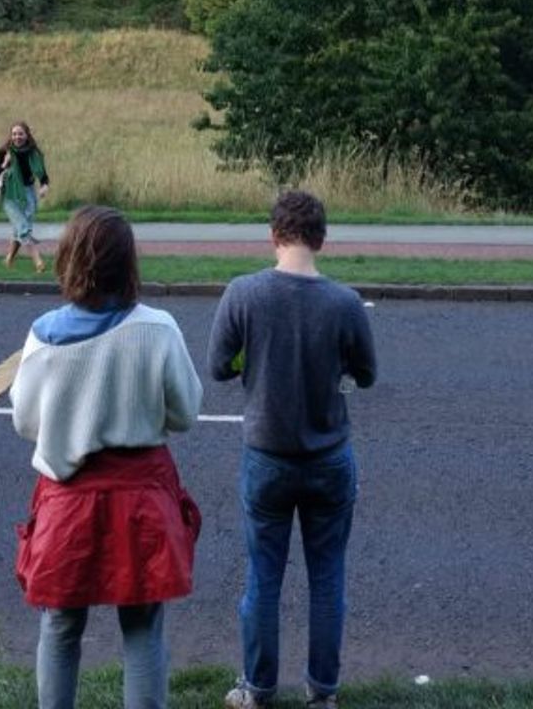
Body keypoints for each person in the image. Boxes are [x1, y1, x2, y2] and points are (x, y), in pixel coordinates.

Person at [10, 205, 205, 709]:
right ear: (128, 263)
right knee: (142, 627)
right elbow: (185, 413)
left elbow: (25, 422)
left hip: (67, 499)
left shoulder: (43, 335)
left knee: (60, 623)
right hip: (141, 495)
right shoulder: (157, 329)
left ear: (69, 259)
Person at [208, 190, 378, 709]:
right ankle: (322, 691)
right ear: (322, 239)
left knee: (264, 577)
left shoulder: (244, 293)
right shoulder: (345, 303)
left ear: (273, 235)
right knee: (327, 577)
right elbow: (367, 374)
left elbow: (218, 365)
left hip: (267, 457)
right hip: (328, 457)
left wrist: (251, 367)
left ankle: (258, 688)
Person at [0, 121, 50, 271]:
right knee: (24, 228)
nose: (17, 137)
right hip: (10, 195)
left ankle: (8, 259)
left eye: (20, 134)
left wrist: (44, 187)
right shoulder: (5, 152)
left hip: (28, 192)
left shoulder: (34, 153)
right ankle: (38, 261)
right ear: (11, 136)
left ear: (27, 135)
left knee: (20, 230)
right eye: (14, 134)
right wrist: (5, 163)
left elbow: (43, 176)